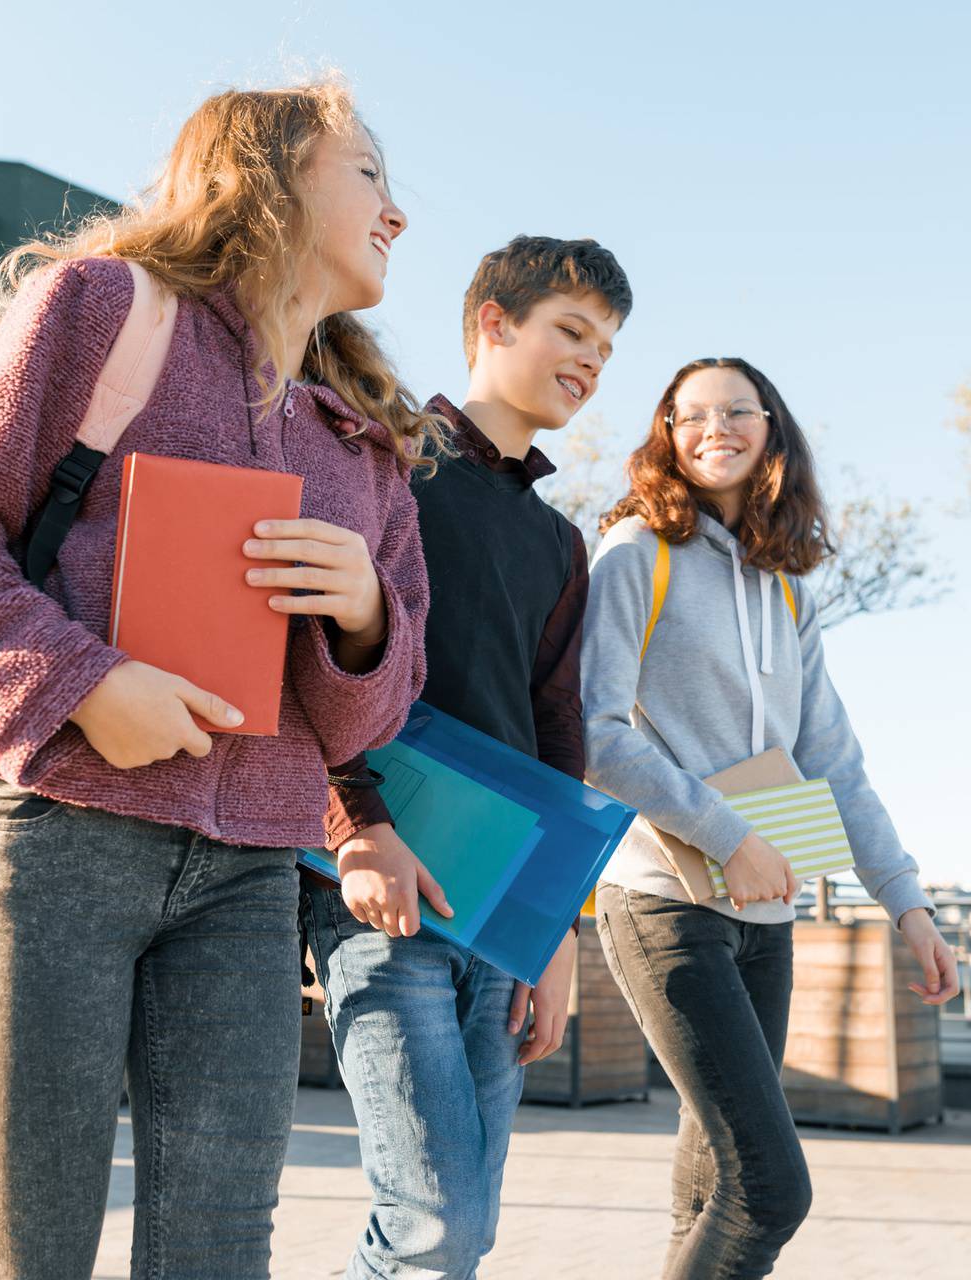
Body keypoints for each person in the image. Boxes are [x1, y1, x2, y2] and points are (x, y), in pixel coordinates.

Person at [0, 82, 444, 1280]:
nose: (398, 212)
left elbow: (363, 717)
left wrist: (366, 616)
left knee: (219, 1257)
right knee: (32, 1251)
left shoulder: (366, 443)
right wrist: (79, 681)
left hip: (251, 884)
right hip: (52, 842)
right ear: (266, 175)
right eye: (367, 171)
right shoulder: (105, 310)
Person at [581, 357, 960, 1279]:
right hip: (663, 901)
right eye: (692, 414)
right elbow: (592, 734)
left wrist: (906, 903)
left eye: (736, 411)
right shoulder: (638, 553)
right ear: (668, 431)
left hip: (766, 915)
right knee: (771, 1188)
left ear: (771, 428)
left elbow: (832, 760)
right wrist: (732, 835)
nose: (716, 428)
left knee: (710, 1184)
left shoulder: (788, 586)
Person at [311, 235, 632, 1278]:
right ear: (493, 322)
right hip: (380, 886)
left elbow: (557, 737)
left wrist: (557, 931)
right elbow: (304, 654)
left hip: (498, 917)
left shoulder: (559, 543)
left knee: (466, 1229)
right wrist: (359, 828)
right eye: (572, 330)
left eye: (608, 347)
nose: (590, 361)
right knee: (431, 1218)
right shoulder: (385, 459)